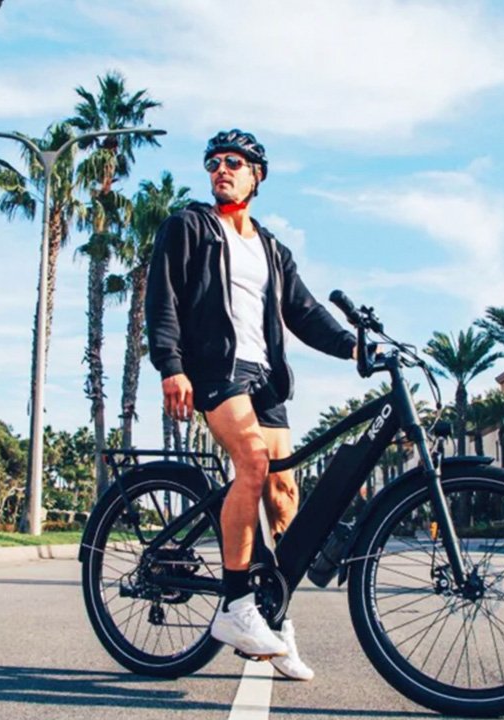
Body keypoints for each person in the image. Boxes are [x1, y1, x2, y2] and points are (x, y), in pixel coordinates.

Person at [145, 129, 357, 681]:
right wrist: (171, 365)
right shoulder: (190, 226)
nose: (221, 169)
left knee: (285, 495)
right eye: (213, 162)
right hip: (215, 369)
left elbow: (304, 312)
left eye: (233, 162)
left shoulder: (270, 248)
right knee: (253, 464)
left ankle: (275, 618)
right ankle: (236, 605)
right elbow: (162, 297)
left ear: (256, 175)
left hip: (265, 379)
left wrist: (354, 347)